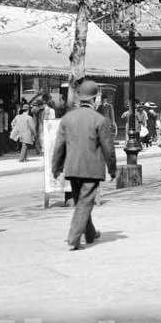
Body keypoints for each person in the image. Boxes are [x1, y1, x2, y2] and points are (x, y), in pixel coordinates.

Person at [51, 79, 116, 250]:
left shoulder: (67, 118)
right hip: (91, 169)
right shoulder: (100, 120)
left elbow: (59, 146)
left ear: (80, 98)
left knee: (82, 200)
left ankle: (90, 233)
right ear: (95, 99)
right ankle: (73, 238)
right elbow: (108, 148)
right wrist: (113, 169)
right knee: (85, 203)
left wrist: (56, 168)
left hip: (72, 168)